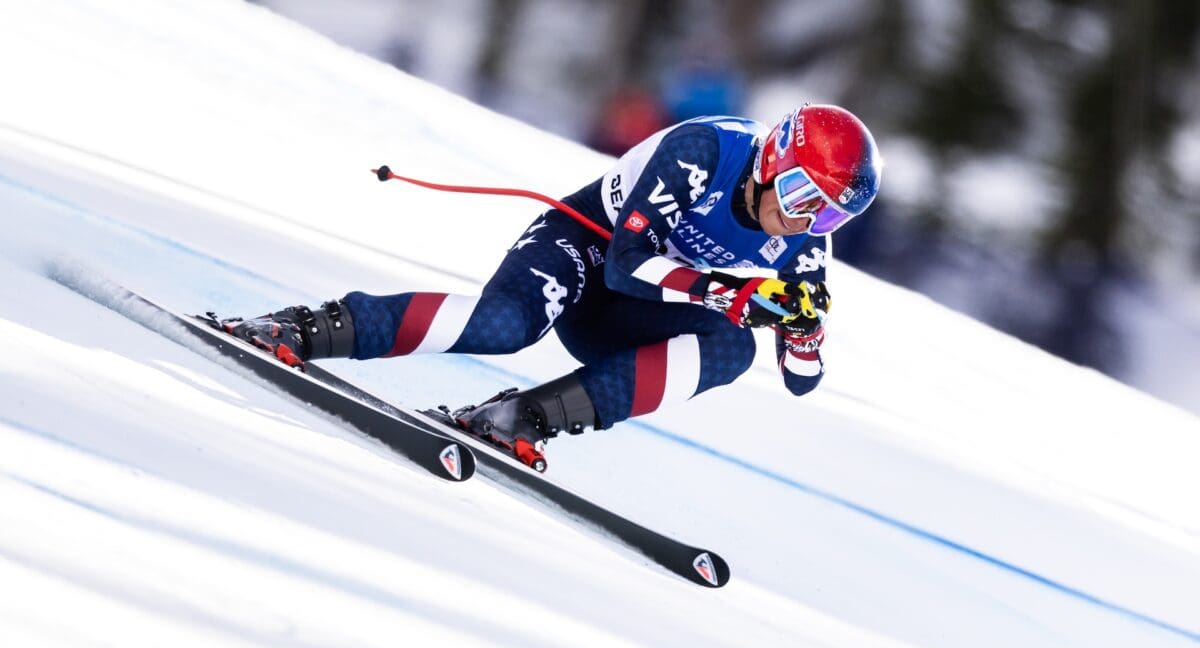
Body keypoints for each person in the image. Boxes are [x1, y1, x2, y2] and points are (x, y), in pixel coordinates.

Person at [224, 104, 882, 471]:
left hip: (630, 312)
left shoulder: (803, 240)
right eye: (799, 194)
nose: (800, 218)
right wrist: (728, 293)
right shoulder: (706, 151)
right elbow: (625, 262)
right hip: (587, 248)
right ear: (771, 163)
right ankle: (305, 328)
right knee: (508, 326)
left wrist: (805, 330)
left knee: (735, 349)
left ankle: (525, 416)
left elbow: (802, 380)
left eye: (827, 214)